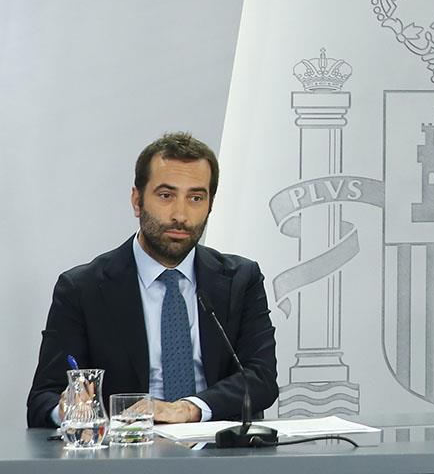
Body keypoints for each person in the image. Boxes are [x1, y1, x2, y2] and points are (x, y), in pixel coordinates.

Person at [27, 132, 278, 428]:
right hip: (126, 455)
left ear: (210, 204)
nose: (181, 215)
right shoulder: (83, 289)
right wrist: (69, 409)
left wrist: (188, 409)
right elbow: (44, 397)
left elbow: (260, 379)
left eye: (196, 198)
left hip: (217, 453)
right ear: (137, 200)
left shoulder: (240, 279)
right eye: (166, 195)